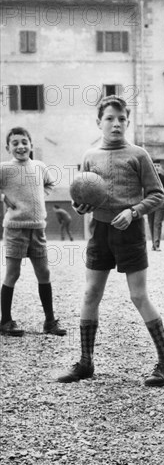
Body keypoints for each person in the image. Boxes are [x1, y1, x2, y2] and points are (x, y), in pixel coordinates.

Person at [57, 96, 164, 386]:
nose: (116, 124)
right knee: (90, 294)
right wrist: (80, 207)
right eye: (109, 118)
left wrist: (133, 210)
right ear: (98, 122)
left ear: (127, 122)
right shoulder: (89, 156)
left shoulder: (138, 155)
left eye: (122, 118)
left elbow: (157, 194)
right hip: (99, 231)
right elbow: (82, 196)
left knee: (138, 296)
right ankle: (86, 362)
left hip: (130, 231)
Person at [0, 127, 67, 337]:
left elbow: (49, 184)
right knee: (13, 273)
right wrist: (3, 197)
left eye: (24, 142)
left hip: (38, 228)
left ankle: (49, 321)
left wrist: (39, 197)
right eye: (15, 143)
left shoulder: (39, 166)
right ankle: (5, 321)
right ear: (7, 147)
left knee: (44, 273)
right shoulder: (4, 169)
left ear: (30, 144)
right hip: (15, 229)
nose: (20, 146)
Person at [147, 162, 164, 251]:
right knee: (151, 224)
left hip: (160, 204)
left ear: (160, 167)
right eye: (154, 166)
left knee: (157, 224)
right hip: (149, 204)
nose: (156, 168)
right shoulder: (148, 178)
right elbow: (145, 191)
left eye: (158, 166)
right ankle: (153, 244)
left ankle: (156, 244)